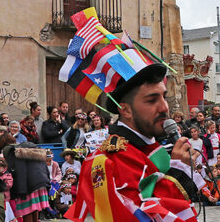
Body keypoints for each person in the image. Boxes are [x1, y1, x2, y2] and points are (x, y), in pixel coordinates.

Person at [65, 63, 203, 221]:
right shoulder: (110, 160)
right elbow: (137, 216)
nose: (164, 107)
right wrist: (180, 172)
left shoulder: (149, 146)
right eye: (152, 101)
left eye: (164, 97)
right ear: (126, 110)